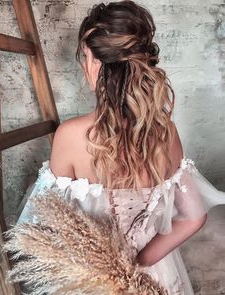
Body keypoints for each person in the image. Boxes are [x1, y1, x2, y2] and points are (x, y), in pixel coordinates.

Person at [15, 1, 225, 294]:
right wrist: (139, 263)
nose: (83, 65)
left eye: (85, 57)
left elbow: (45, 223)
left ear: (99, 65)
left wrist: (104, 268)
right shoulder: (167, 134)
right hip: (152, 276)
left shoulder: (70, 136)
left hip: (89, 280)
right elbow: (194, 216)